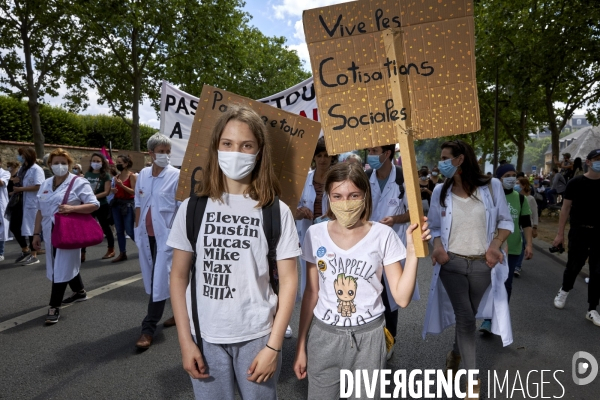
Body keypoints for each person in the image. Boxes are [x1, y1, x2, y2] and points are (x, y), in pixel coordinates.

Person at [168, 106, 300, 399]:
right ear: (216, 147)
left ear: (259, 152)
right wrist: (185, 341)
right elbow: (178, 277)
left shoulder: (276, 211)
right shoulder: (193, 208)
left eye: (246, 145)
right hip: (204, 337)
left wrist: (273, 346)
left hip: (257, 336)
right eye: (227, 144)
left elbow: (290, 281)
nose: (235, 152)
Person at [293, 162, 429, 398]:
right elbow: (311, 293)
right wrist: (301, 345)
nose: (345, 203)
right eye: (337, 196)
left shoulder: (382, 235)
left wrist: (412, 251)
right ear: (328, 197)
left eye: (353, 195)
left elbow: (402, 297)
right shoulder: (314, 235)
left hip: (369, 339)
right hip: (323, 338)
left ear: (365, 196)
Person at [423, 140, 514, 399]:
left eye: (444, 157)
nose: (440, 162)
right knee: (465, 318)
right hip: (451, 264)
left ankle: (455, 353)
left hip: (482, 265)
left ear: (460, 159)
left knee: (469, 317)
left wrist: (496, 244)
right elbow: (435, 227)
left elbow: (505, 221)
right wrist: (437, 246)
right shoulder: (441, 190)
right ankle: (473, 385)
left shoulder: (491, 187)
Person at [31, 148, 100, 324]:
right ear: (50, 165)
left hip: (68, 231)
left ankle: (54, 306)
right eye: (56, 163)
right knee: (60, 263)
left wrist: (72, 208)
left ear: (69, 164)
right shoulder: (46, 184)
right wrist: (36, 234)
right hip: (49, 231)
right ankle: (79, 291)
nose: (60, 166)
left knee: (60, 267)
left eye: (63, 162)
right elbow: (40, 210)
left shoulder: (79, 182)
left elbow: (94, 204)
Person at [366, 144, 413, 360]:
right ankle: (370, 340)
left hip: (393, 247)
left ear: (387, 154)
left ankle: (389, 339)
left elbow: (414, 213)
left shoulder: (405, 179)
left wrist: (395, 219)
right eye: (369, 151)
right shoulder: (365, 177)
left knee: (391, 297)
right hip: (366, 246)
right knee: (369, 293)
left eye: (375, 151)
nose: (370, 155)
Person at [133, 134, 180, 349]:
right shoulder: (143, 174)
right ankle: (181, 315)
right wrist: (136, 228)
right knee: (165, 279)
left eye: (168, 151)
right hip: (146, 237)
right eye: (161, 151)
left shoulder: (177, 176)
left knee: (158, 281)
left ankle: (148, 328)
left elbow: (182, 209)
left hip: (168, 240)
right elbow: (139, 202)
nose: (165, 155)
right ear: (150, 153)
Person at [480, 164, 533, 333]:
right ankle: (487, 319)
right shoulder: (490, 196)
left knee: (506, 284)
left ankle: (498, 317)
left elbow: (526, 222)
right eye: (507, 175)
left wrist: (529, 244)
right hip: (494, 247)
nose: (512, 178)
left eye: (513, 175)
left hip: (514, 248)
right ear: (498, 178)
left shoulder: (520, 198)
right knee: (491, 283)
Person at [552, 149, 600, 327]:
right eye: (596, 159)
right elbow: (565, 209)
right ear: (588, 162)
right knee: (574, 265)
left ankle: (592, 309)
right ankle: (564, 290)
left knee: (597, 272)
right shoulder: (575, 183)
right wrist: (560, 234)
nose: (599, 163)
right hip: (579, 231)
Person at [296, 137, 337, 303]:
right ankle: (310, 311)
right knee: (310, 279)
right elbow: (292, 207)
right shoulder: (304, 179)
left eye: (326, 155)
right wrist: (299, 212)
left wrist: (332, 214)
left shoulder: (337, 179)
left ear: (333, 157)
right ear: (313, 157)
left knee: (330, 276)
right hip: (307, 235)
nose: (322, 159)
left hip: (331, 235)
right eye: (319, 155)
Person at [10, 147, 45, 265]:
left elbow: (39, 186)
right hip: (20, 201)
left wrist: (21, 188)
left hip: (31, 202)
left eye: (21, 155)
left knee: (31, 228)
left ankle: (34, 255)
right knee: (14, 226)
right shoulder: (22, 169)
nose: (19, 157)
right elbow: (20, 181)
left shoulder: (36, 169)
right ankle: (25, 249)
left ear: (27, 156)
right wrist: (16, 183)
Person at [82, 153, 115, 261]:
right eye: (94, 161)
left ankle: (111, 249)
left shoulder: (105, 175)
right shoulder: (87, 174)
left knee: (105, 227)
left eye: (98, 161)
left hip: (101, 205)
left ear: (102, 163)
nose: (95, 163)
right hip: (87, 205)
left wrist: (93, 197)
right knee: (84, 229)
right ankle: (82, 253)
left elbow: (106, 192)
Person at [110, 154, 136, 262]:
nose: (118, 164)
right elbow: (113, 190)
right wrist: (113, 190)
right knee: (119, 231)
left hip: (128, 205)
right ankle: (122, 253)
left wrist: (122, 186)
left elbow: (134, 192)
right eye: (117, 162)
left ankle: (146, 248)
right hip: (117, 204)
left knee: (129, 230)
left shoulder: (132, 176)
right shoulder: (116, 177)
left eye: (120, 162)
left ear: (126, 164)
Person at [514, 177, 538, 277]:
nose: (516, 185)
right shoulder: (514, 197)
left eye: (518, 183)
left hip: (526, 226)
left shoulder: (530, 199)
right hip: (516, 225)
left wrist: (535, 227)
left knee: (521, 246)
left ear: (523, 186)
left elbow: (535, 213)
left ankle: (517, 266)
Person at [0, 156, 10, 262]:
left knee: (1, 229)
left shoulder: (5, 173)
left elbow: (1, 183)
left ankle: (0, 252)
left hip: (1, 205)